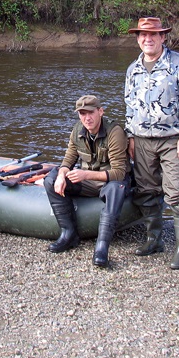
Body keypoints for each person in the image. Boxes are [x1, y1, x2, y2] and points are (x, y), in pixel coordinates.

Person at [124, 17, 179, 270]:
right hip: (142, 141)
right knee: (147, 192)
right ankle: (153, 240)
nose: (148, 39)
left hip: (172, 140)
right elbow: (129, 106)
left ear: (163, 37)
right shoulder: (132, 69)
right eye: (143, 36)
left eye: (153, 35)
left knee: (178, 192)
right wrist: (130, 136)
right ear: (138, 39)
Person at [44, 95, 132, 268]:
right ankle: (69, 234)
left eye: (90, 113)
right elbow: (68, 161)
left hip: (109, 181)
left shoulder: (115, 132)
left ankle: (102, 247)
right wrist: (62, 175)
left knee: (117, 188)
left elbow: (119, 172)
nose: (87, 118)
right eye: (82, 114)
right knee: (51, 179)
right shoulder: (77, 130)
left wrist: (86, 175)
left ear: (100, 111)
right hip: (88, 180)